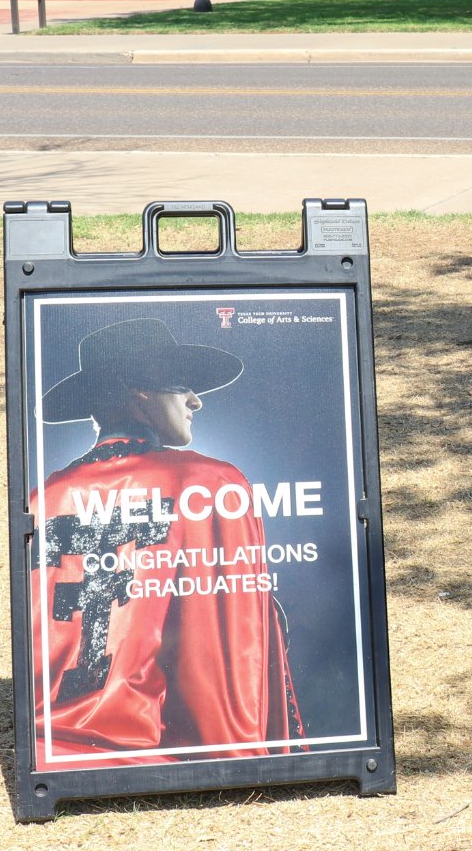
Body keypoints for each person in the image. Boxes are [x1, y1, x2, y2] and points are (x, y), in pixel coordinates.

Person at [31, 317, 303, 765]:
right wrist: (244, 765)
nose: (195, 400)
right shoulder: (209, 485)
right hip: (140, 758)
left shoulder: (44, 498)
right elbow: (223, 657)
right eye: (182, 385)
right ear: (141, 389)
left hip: (46, 758)